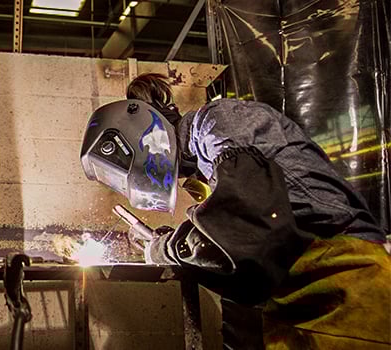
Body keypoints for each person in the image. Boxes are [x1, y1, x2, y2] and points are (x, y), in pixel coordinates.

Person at [82, 74, 391, 349]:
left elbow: (243, 223)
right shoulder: (208, 166)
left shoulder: (217, 124)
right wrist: (171, 242)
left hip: (345, 284)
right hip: (306, 297)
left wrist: (163, 249)